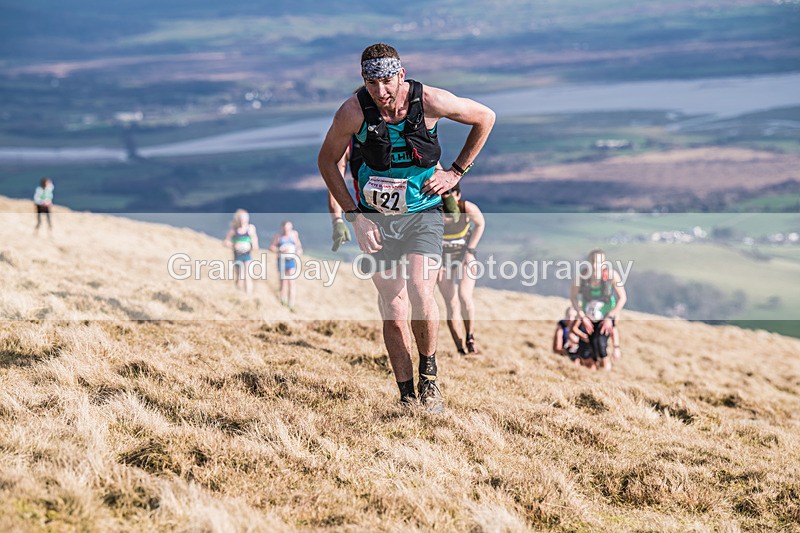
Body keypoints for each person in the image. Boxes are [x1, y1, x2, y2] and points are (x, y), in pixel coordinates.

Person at [318, 43, 495, 412]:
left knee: (419, 290)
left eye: (386, 81)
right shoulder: (353, 111)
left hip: (424, 213)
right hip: (376, 219)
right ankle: (406, 395)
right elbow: (326, 161)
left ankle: (429, 379)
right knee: (394, 310)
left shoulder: (428, 100)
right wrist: (355, 216)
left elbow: (485, 117)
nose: (380, 92)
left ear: (400, 75)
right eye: (371, 83)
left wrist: (455, 172)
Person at [437, 183, 485, 355]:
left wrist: (471, 250)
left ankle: (470, 338)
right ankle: (460, 349)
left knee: (464, 297)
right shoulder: (434, 211)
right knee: (451, 304)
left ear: (457, 195)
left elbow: (480, 223)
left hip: (465, 257)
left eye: (449, 196)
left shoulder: (467, 208)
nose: (446, 201)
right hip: (443, 262)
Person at [569, 249, 627, 370]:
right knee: (585, 350)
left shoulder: (612, 276)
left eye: (599, 262)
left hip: (606, 316)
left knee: (600, 344)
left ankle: (605, 369)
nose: (596, 265)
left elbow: (622, 298)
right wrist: (582, 316)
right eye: (593, 261)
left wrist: (610, 317)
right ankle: (592, 369)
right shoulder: (581, 277)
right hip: (587, 317)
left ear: (604, 263)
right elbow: (573, 297)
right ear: (588, 262)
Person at [223, 209, 259, 296]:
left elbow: (255, 244)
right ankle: (239, 294)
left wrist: (252, 244)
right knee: (239, 277)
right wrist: (234, 245)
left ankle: (248, 296)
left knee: (247, 276)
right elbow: (225, 242)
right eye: (242, 217)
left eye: (246, 217)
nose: (244, 220)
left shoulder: (250, 229)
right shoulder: (234, 230)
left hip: (247, 255)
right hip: (237, 256)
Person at [269, 220, 303, 310]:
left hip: (291, 260)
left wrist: (298, 252)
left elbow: (299, 247)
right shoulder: (279, 236)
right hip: (282, 260)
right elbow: (271, 247)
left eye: (289, 228)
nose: (287, 230)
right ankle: (282, 302)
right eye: (285, 228)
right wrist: (280, 250)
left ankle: (291, 304)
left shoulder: (294, 235)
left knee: (291, 283)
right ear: (282, 228)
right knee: (283, 283)